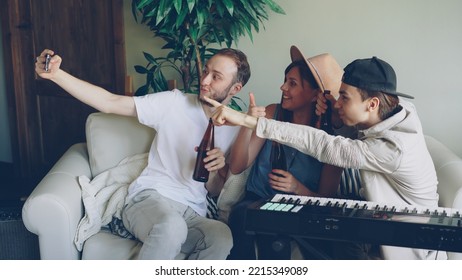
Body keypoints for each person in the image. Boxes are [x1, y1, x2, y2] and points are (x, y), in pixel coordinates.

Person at [205, 56, 446, 260]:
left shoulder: (394, 148)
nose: (336, 103)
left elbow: (324, 145)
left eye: (344, 97)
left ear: (372, 104)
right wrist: (338, 116)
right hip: (378, 222)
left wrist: (248, 121)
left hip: (408, 247)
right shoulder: (394, 113)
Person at [35, 48, 251, 260]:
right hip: (149, 198)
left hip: (193, 211)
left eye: (216, 77)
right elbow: (110, 102)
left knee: (221, 236)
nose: (204, 81)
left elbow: (213, 190)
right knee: (171, 227)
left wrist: (217, 168)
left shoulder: (235, 128)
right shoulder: (174, 103)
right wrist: (57, 75)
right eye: (206, 71)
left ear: (235, 88)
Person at [227, 46, 344, 259]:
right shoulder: (273, 114)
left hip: (302, 209)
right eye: (285, 80)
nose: (282, 88)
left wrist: (297, 188)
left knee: (278, 226)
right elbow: (237, 166)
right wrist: (247, 122)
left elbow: (326, 199)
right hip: (258, 200)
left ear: (314, 95)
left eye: (292, 83)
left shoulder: (333, 140)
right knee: (241, 215)